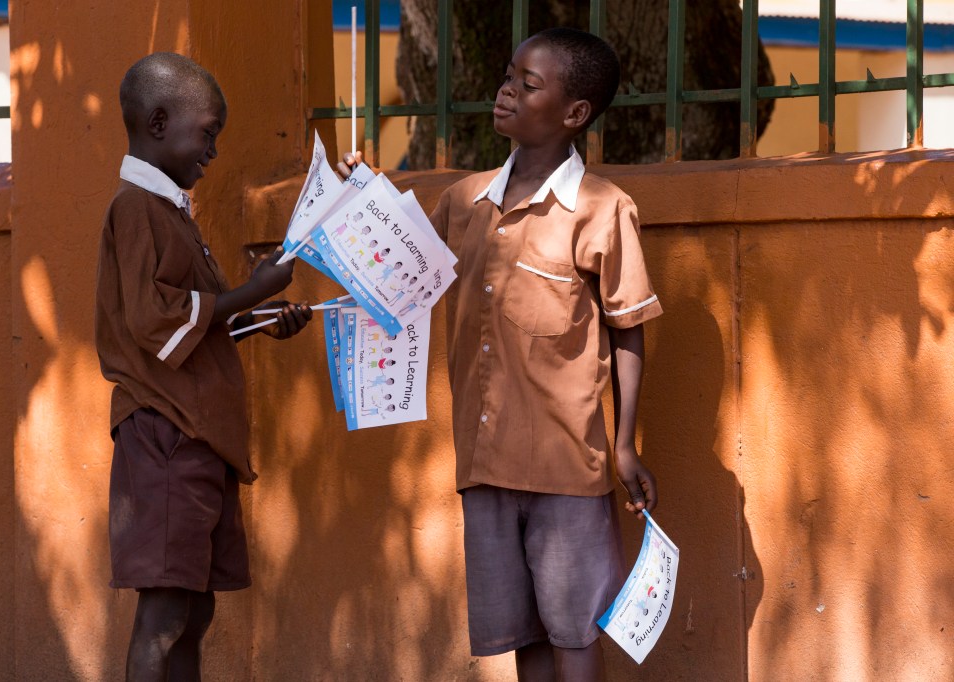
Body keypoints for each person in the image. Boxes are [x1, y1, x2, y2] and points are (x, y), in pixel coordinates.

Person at [347, 26, 662, 681]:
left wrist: (625, 443)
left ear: (574, 113)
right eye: (508, 75)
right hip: (485, 463)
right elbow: (400, 267)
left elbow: (627, 329)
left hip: (565, 466)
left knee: (574, 634)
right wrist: (360, 199)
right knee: (523, 639)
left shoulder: (601, 210)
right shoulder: (464, 202)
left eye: (528, 83)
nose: (506, 90)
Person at [95, 52, 312, 681]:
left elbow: (202, 325)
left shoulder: (172, 211)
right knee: (163, 614)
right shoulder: (135, 207)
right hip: (165, 434)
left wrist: (262, 318)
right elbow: (154, 321)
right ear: (159, 123)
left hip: (197, 437)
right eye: (209, 132)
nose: (214, 150)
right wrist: (254, 292)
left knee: (195, 608)